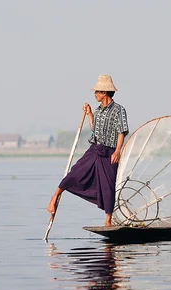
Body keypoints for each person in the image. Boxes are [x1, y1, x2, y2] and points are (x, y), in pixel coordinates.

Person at [47, 74, 129, 226]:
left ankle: (108, 220)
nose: (95, 94)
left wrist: (117, 150)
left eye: (97, 91)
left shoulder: (119, 110)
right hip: (95, 149)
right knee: (75, 173)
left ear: (105, 93)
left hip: (109, 152)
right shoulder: (98, 110)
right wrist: (90, 113)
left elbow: (121, 131)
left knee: (108, 185)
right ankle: (54, 197)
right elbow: (95, 129)